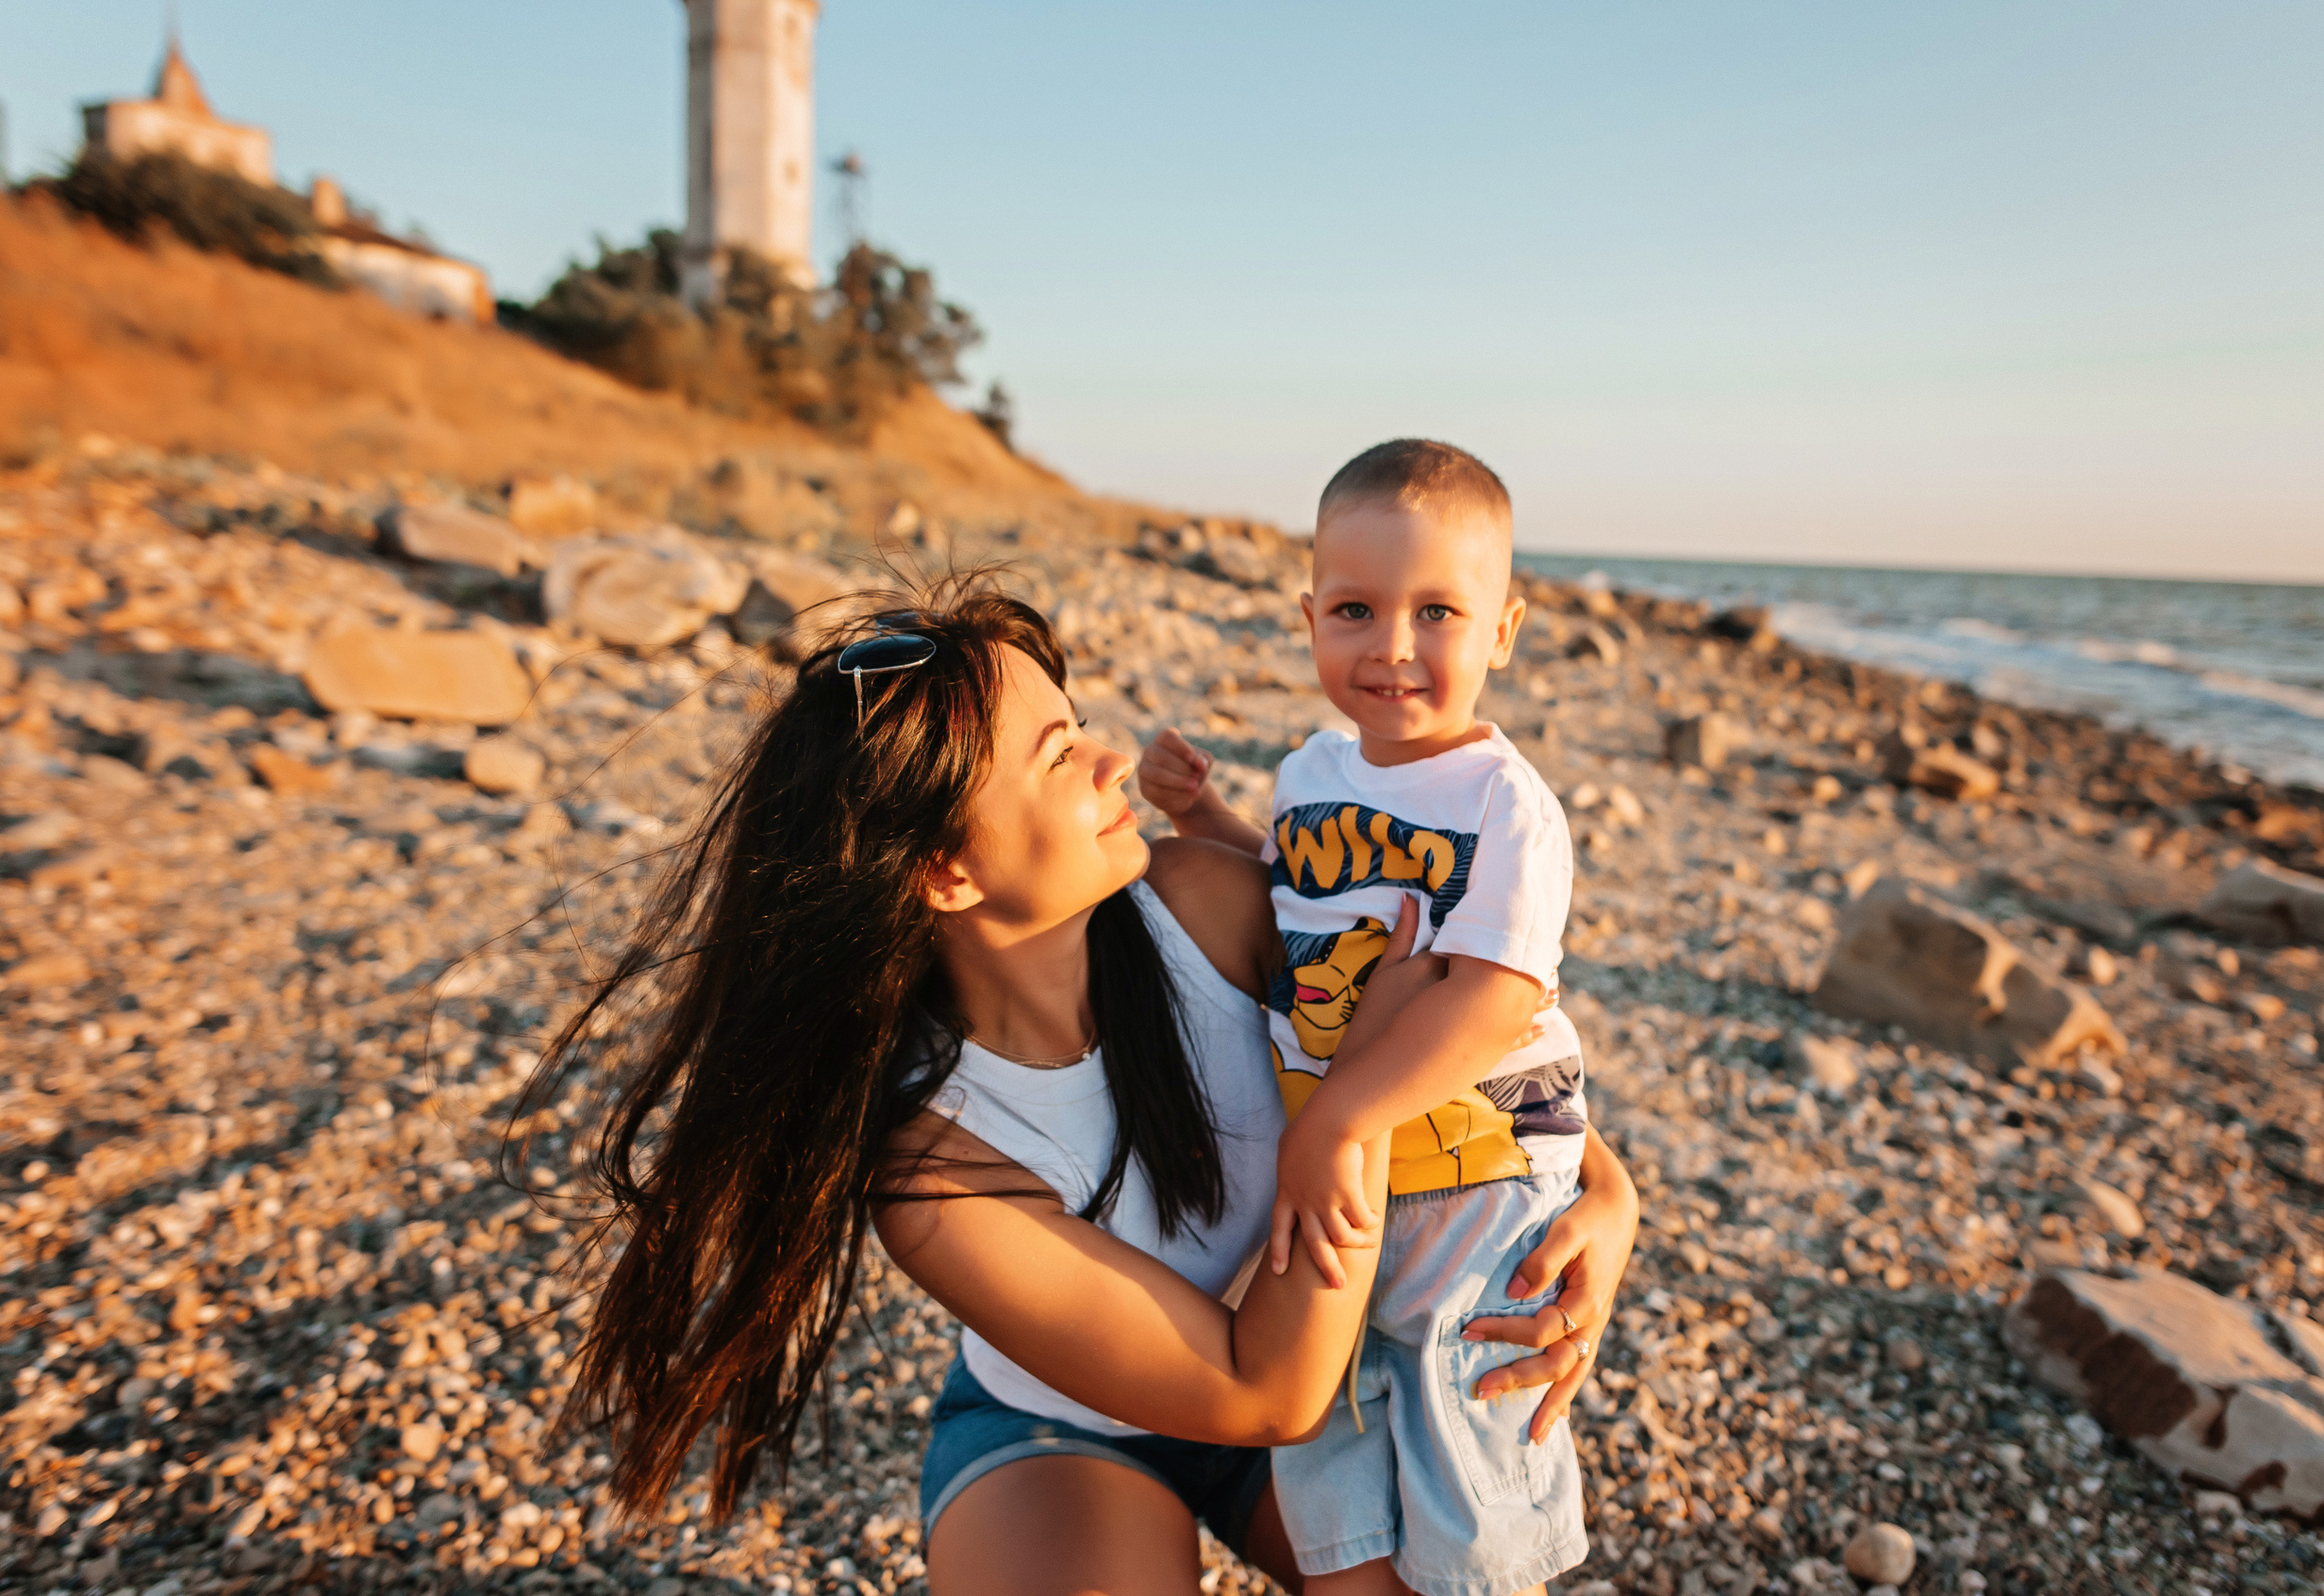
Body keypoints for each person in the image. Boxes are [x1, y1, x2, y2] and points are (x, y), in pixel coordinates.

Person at [513, 577, 1640, 1596]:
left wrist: (1601, 1185)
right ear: (945, 871)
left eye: (1081, 728)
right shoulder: (932, 1162)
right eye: (1057, 756)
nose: (1111, 765)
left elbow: (1472, 1019)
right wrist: (1352, 1103)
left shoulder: (1205, 903)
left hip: (1330, 1355)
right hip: (1073, 1429)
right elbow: (1264, 1391)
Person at [1140, 439, 1608, 1596]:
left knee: (1473, 1480)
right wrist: (1208, 815)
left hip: (1478, 1183)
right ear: (1309, 618)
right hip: (1349, 1178)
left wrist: (1335, 1114)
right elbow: (1299, 891)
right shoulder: (1310, 769)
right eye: (1354, 609)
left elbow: (1495, 997)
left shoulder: (1504, 801)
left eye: (1437, 612)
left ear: (1502, 631)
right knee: (1334, 1479)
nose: (1391, 647)